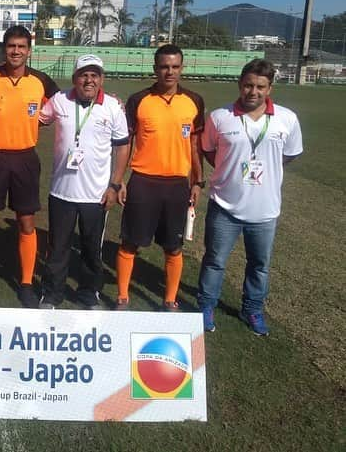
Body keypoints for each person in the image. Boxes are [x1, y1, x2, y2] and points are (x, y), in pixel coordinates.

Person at [197, 59, 302, 336]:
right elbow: (208, 150)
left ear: (269, 88)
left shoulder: (286, 118)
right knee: (214, 260)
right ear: (239, 85)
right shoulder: (220, 117)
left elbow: (288, 154)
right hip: (224, 205)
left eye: (259, 86)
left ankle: (252, 309)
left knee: (259, 265)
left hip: (265, 210)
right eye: (247, 85)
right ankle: (206, 306)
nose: (252, 92)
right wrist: (228, 169)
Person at [0, 25, 59, 308]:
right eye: (11, 46)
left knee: (26, 222)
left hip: (25, 159)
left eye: (21, 47)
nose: (16, 51)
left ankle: (27, 283)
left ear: (29, 50)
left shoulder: (42, 81)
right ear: (4, 49)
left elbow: (65, 104)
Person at [116, 44, 205, 311]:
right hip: (143, 181)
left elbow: (195, 145)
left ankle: (169, 299)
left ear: (182, 68)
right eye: (164, 66)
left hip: (177, 184)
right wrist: (119, 179)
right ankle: (122, 297)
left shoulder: (194, 101)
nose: (170, 72)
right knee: (130, 241)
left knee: (173, 246)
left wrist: (197, 181)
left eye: (175, 66)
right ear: (155, 69)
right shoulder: (139, 100)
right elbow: (126, 143)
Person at [38, 55, 130, 309]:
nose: (89, 80)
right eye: (83, 74)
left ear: (102, 79)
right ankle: (52, 294)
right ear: (74, 78)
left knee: (92, 250)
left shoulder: (113, 106)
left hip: (96, 195)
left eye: (94, 75)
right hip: (61, 192)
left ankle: (89, 295)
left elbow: (122, 147)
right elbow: (36, 118)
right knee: (57, 248)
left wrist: (115, 184)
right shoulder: (59, 100)